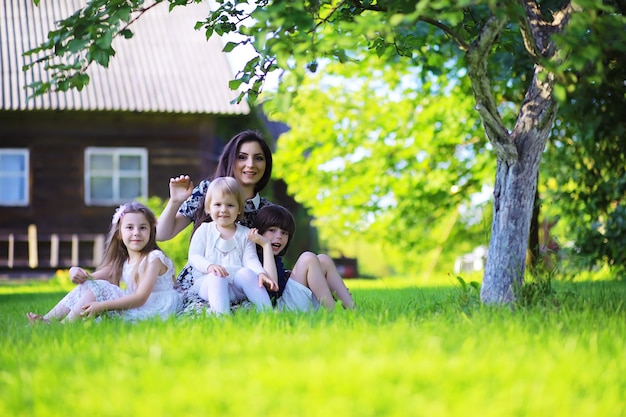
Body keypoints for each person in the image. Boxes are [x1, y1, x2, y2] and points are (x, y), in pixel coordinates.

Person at [156, 130, 274, 313]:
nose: (250, 165)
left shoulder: (266, 210)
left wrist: (262, 275)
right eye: (242, 157)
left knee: (248, 313)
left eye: (258, 158)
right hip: (201, 282)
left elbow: (260, 257)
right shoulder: (207, 191)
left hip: (240, 284)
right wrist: (175, 201)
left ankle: (269, 316)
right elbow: (162, 234)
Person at [26, 202, 182, 323]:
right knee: (89, 285)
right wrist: (75, 270)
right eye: (129, 227)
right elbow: (89, 280)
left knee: (102, 288)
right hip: (141, 305)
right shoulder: (124, 261)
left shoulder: (153, 258)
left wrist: (101, 306)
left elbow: (141, 297)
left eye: (143, 228)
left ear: (151, 232)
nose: (136, 233)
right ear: (119, 234)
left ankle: (63, 326)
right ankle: (47, 319)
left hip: (156, 308)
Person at [187, 177, 277, 315]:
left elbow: (250, 259)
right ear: (208, 208)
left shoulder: (245, 234)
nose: (224, 210)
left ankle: (268, 312)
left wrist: (260, 273)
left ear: (239, 209)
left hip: (235, 287)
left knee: (246, 273)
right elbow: (194, 256)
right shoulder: (204, 230)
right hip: (208, 284)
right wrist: (209, 266)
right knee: (217, 277)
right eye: (218, 205)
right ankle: (222, 317)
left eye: (230, 205)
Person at [248, 204, 356, 312]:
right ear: (259, 232)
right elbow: (272, 288)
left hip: (289, 302)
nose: (279, 236)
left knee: (324, 260)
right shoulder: (252, 257)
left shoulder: (275, 258)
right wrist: (266, 245)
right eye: (272, 230)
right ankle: (333, 311)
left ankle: (352, 309)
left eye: (284, 233)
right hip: (278, 310)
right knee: (307, 258)